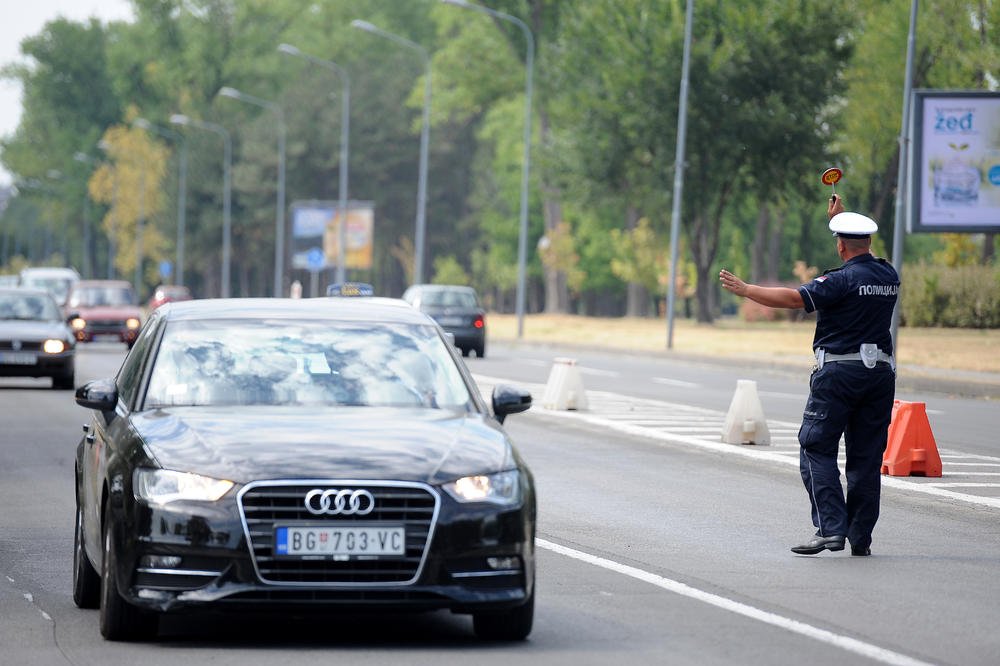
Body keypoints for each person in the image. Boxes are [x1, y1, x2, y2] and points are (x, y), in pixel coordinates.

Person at [719, 194, 899, 557]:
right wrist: (841, 219)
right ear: (868, 241)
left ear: (840, 246)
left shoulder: (839, 280)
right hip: (879, 376)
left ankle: (831, 529)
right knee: (866, 459)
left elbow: (792, 298)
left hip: (839, 374)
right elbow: (862, 254)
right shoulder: (888, 275)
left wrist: (746, 290)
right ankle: (860, 538)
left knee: (816, 447)